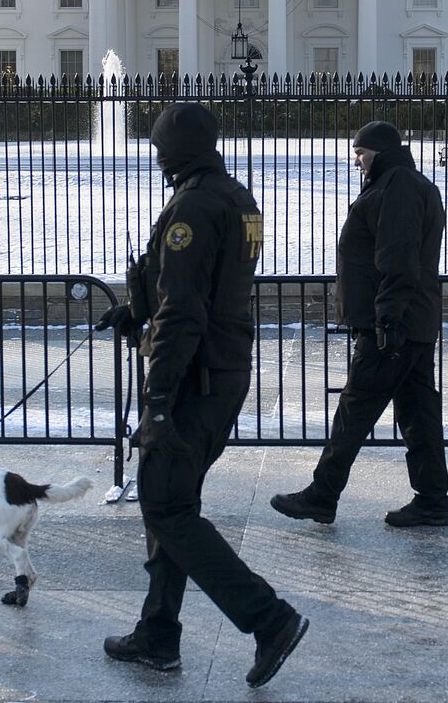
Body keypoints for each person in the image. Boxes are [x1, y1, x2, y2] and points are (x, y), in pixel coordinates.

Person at [96, 102, 308, 689]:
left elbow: (186, 309)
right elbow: (206, 287)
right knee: (171, 504)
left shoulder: (192, 205)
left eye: (162, 149)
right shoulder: (238, 199)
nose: (158, 159)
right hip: (223, 371)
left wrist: (158, 398)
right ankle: (158, 635)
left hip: (193, 382)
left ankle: (269, 619)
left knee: (167, 509)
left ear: (181, 150)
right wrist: (135, 309)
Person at [271, 120, 448, 529]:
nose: (357, 161)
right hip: (411, 321)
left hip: (392, 325)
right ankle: (432, 500)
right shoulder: (399, 183)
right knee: (419, 413)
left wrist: (386, 317)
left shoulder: (398, 187)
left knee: (355, 410)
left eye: (361, 153)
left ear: (381, 151)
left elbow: (398, 256)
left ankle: (323, 494)